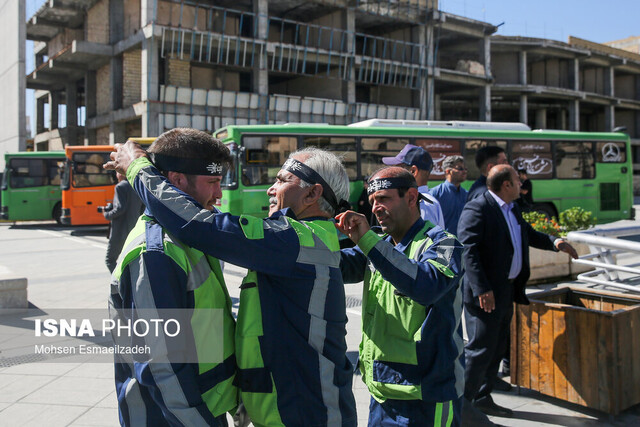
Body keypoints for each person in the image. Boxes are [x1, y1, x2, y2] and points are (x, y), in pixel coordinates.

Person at [106, 142, 358, 427]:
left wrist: (138, 168)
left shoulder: (296, 240)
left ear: (313, 193)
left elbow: (198, 224)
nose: (270, 189)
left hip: (309, 414)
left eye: (282, 180)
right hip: (299, 409)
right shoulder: (305, 241)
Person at [109, 128, 238, 426]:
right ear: (177, 180)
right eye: (213, 182)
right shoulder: (156, 251)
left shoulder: (188, 236)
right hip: (174, 417)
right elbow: (161, 367)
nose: (219, 194)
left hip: (202, 407)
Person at [338, 167, 464, 426]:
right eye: (372, 201)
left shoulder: (445, 244)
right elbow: (334, 266)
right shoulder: (378, 245)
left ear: (411, 197)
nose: (375, 208)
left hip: (428, 396)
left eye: (383, 198)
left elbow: (427, 286)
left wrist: (369, 241)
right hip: (382, 393)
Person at [458, 165, 578, 418]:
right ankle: (462, 405)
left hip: (506, 290)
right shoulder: (479, 208)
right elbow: (468, 250)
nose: (522, 185)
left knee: (497, 346)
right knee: (480, 349)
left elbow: (528, 235)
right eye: (517, 181)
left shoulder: (512, 207)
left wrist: (556, 242)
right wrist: (482, 288)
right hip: (485, 295)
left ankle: (481, 397)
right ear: (506, 185)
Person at [382, 144, 445, 228]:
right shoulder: (424, 201)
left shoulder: (421, 204)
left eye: (397, 169)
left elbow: (422, 239)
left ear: (413, 171)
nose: (392, 174)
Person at [102, 172, 144, 272]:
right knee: (130, 261)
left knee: (110, 260)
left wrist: (106, 214)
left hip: (119, 231)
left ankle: (120, 284)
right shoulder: (136, 186)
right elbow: (143, 208)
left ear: (120, 174)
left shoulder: (120, 187)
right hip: (134, 230)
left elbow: (120, 208)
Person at [429, 156, 468, 235]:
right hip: (443, 243)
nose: (464, 172)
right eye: (460, 169)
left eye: (465, 169)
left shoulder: (467, 194)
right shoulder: (435, 194)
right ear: (448, 171)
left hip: (463, 243)